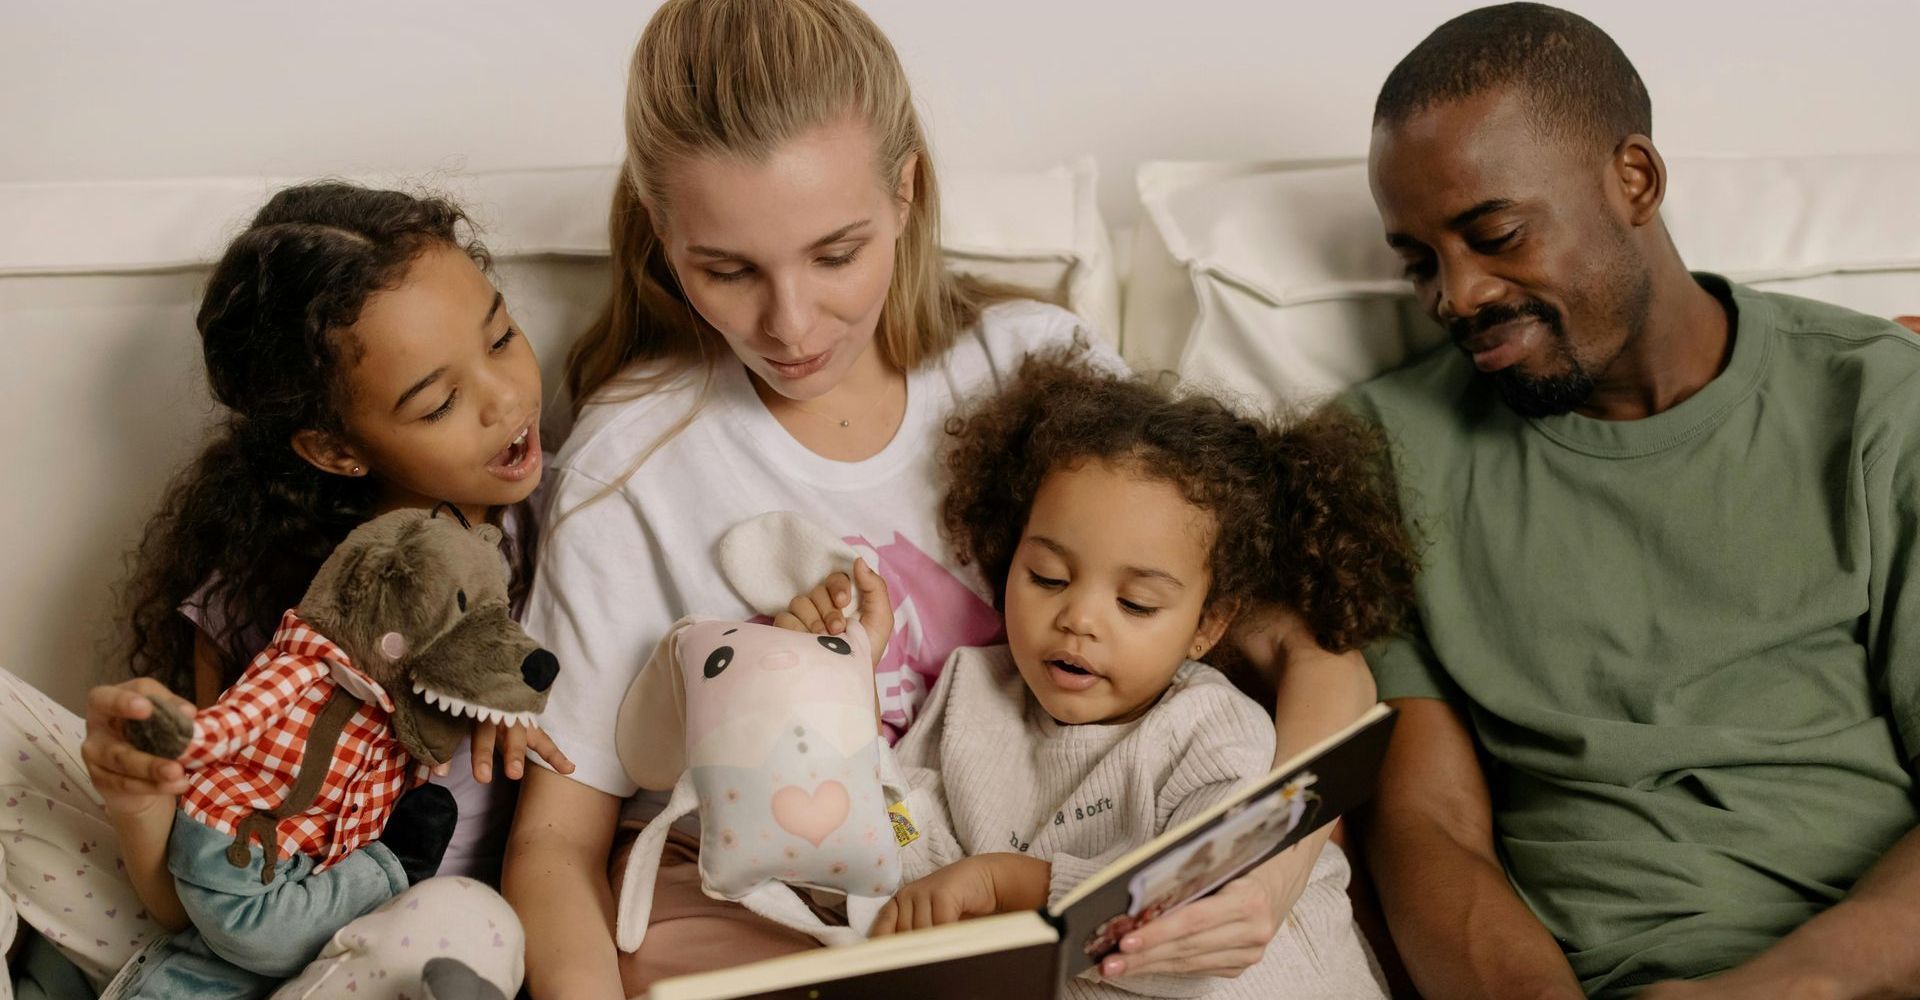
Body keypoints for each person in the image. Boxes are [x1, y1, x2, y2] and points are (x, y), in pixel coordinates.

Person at [1348, 5, 1920, 997]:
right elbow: (1425, 830)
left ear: (1636, 181)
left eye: (1497, 234)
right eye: (1419, 263)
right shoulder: (1384, 454)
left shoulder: (1881, 403)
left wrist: (1786, 988)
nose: (1458, 295)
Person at [3, 181, 569, 1000]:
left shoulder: (562, 527)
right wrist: (137, 801)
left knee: (466, 921)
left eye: (503, 336)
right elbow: (190, 904)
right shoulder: (256, 596)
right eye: (441, 402)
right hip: (231, 938)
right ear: (336, 450)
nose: (508, 398)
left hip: (409, 955)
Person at [807, 357, 1410, 997]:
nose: (1078, 619)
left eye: (1136, 605)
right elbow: (903, 837)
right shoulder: (969, 691)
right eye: (1048, 577)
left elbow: (1184, 910)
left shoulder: (1213, 728)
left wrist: (1000, 884)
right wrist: (843, 701)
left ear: (1207, 625)